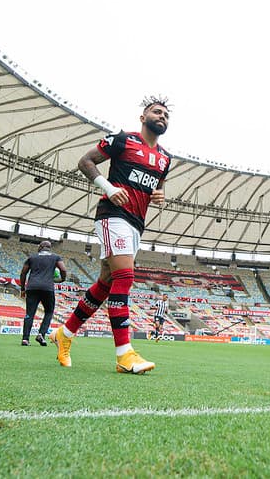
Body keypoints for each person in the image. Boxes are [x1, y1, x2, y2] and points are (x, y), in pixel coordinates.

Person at [49, 96, 172, 374]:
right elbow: (85, 161)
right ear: (143, 118)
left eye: (165, 114)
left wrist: (159, 194)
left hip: (136, 224)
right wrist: (107, 187)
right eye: (156, 111)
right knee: (125, 277)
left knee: (105, 284)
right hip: (112, 216)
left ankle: (65, 334)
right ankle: (124, 354)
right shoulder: (122, 140)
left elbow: (157, 185)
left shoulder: (165, 158)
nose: (161, 116)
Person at [19, 240, 67, 346]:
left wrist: (22, 289)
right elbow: (63, 269)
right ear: (49, 248)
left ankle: (25, 339)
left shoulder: (32, 257)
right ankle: (41, 334)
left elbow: (23, 273)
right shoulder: (56, 257)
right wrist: (62, 279)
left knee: (29, 314)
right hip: (47, 288)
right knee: (49, 312)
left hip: (32, 287)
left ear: (40, 247)